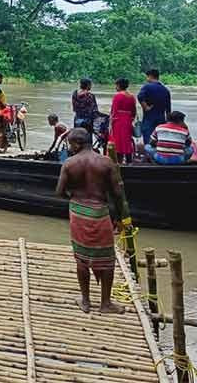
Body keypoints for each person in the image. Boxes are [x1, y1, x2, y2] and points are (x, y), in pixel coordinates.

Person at [56, 128, 127, 315]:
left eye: (70, 144)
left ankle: (86, 301)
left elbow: (59, 191)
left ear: (77, 144)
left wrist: (74, 197)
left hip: (78, 212)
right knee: (107, 260)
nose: (69, 148)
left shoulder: (69, 164)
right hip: (100, 212)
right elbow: (118, 194)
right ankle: (105, 303)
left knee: (81, 259)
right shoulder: (106, 162)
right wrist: (120, 218)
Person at [137, 69, 172, 144]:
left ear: (150, 76)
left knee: (148, 140)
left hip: (149, 118)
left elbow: (140, 97)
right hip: (161, 119)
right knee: (159, 140)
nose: (147, 79)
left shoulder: (147, 87)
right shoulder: (165, 90)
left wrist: (145, 107)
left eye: (147, 77)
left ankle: (149, 154)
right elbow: (168, 109)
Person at [109, 78, 137, 164]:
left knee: (117, 141)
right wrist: (130, 119)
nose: (115, 87)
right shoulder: (132, 97)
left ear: (119, 86)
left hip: (118, 121)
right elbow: (134, 112)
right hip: (128, 120)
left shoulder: (117, 96)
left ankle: (118, 161)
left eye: (116, 85)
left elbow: (114, 111)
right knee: (127, 141)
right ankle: (129, 160)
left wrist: (110, 123)